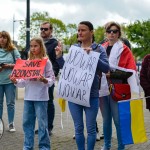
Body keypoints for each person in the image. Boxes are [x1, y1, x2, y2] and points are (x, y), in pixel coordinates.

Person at [65, 21, 109, 150]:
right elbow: (65, 69)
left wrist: (93, 57)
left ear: (91, 32)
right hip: (74, 94)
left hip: (92, 94)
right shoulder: (74, 48)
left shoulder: (99, 49)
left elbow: (106, 68)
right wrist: (59, 58)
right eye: (78, 30)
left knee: (90, 129)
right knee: (78, 128)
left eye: (83, 30)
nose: (79, 32)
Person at [10, 37, 55, 149]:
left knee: (42, 124)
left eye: (36, 46)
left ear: (41, 47)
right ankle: (27, 146)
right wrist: (16, 81)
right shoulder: (28, 62)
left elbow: (52, 79)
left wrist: (44, 80)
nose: (33, 48)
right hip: (28, 97)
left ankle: (44, 147)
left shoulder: (46, 62)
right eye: (31, 46)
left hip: (41, 98)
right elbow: (23, 81)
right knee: (27, 124)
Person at [99, 21, 138, 150]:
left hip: (119, 90)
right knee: (105, 120)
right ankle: (106, 145)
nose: (112, 34)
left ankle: (121, 146)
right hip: (103, 89)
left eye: (115, 31)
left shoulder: (124, 49)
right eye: (109, 31)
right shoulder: (101, 48)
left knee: (118, 120)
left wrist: (112, 75)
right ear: (106, 33)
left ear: (119, 34)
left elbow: (130, 72)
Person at [35, 21, 64, 135]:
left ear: (51, 31)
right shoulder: (36, 42)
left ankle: (48, 127)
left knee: (48, 102)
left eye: (45, 29)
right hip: (36, 78)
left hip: (48, 77)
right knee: (39, 102)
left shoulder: (55, 43)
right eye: (41, 29)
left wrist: (54, 73)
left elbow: (56, 60)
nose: (43, 31)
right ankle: (42, 126)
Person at [0, 31, 20, 132]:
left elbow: (19, 63)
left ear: (8, 39)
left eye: (4, 37)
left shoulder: (13, 50)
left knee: (10, 103)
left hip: (9, 81)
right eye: (0, 37)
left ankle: (11, 124)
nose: (2, 39)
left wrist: (7, 66)